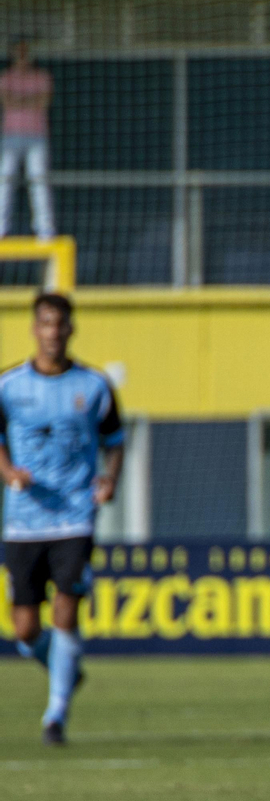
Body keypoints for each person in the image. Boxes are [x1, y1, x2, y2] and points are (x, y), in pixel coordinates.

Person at [0, 293, 123, 745]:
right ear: (35, 329)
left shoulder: (94, 386)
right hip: (24, 520)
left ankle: (55, 717)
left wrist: (109, 479)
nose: (53, 332)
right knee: (25, 629)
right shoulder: (9, 385)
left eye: (60, 324)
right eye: (46, 323)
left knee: (66, 612)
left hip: (74, 516)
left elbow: (116, 440)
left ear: (71, 329)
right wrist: (9, 472)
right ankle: (64, 667)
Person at [0, 39, 55, 240]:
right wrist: (29, 99)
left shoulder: (42, 76)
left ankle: (45, 229)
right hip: (11, 136)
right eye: (19, 51)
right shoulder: (6, 77)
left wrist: (19, 99)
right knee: (5, 180)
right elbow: (8, 102)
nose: (22, 55)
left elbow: (43, 102)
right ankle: (1, 227)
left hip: (37, 136)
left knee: (38, 181)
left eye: (25, 51)